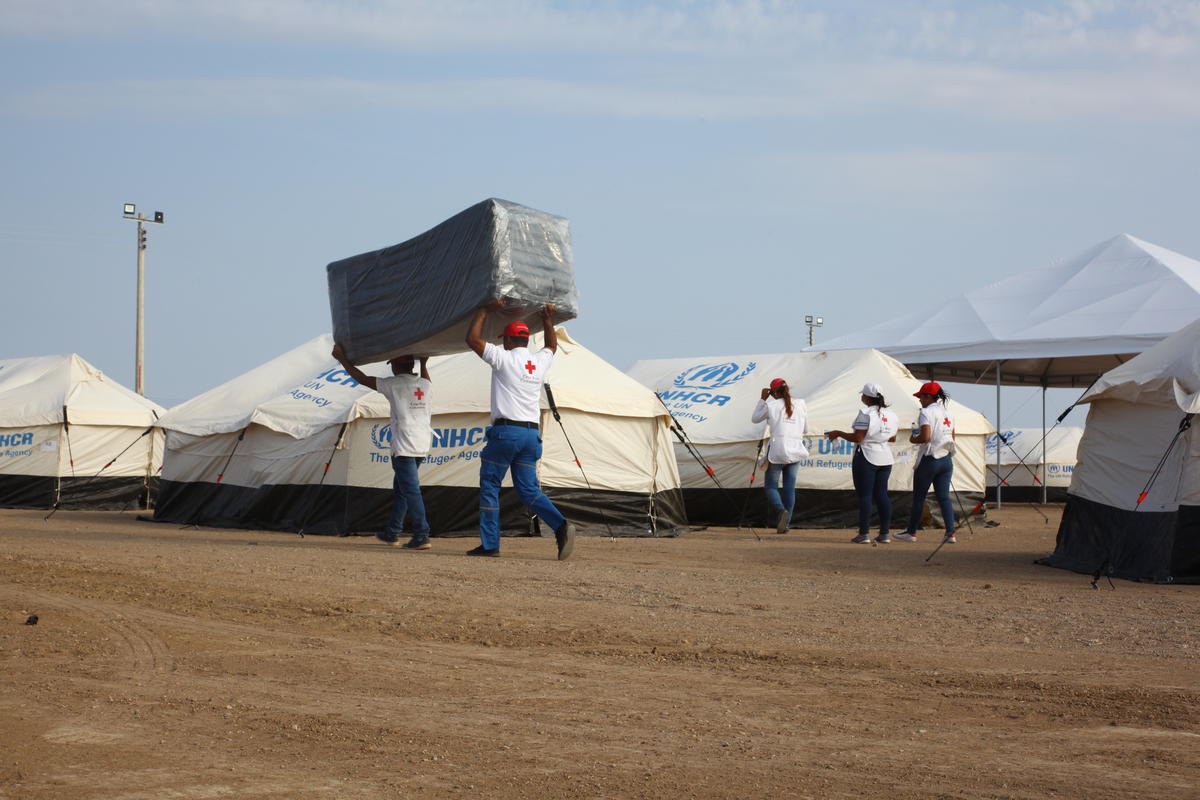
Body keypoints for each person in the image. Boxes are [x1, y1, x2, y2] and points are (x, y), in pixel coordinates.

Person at [464, 300, 576, 560]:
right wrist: (547, 319)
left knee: (490, 485)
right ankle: (560, 525)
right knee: (528, 490)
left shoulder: (502, 359)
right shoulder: (537, 363)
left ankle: (490, 545)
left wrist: (484, 310)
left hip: (506, 434)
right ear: (525, 340)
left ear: (508, 341)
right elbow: (551, 346)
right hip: (531, 437)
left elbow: (472, 339)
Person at [331, 344, 433, 550]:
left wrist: (342, 359)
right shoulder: (425, 384)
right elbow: (425, 378)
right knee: (403, 489)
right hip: (422, 443)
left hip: (404, 446)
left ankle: (422, 534)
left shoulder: (393, 385)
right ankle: (392, 532)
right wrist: (423, 363)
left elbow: (361, 378)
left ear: (395, 365)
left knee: (411, 490)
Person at [825, 382, 899, 544]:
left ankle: (864, 534)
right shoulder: (892, 415)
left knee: (865, 495)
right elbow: (892, 438)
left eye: (862, 394)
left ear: (866, 397)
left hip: (866, 456)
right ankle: (884, 534)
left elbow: (858, 438)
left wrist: (837, 433)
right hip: (885, 457)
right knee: (882, 495)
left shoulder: (865, 414)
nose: (861, 397)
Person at [896, 381, 957, 544]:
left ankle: (911, 533)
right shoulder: (948, 413)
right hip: (946, 459)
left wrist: (912, 438)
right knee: (944, 497)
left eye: (921, 397)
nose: (919, 400)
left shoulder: (926, 412)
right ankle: (950, 533)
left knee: (919, 497)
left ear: (928, 397)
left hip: (930, 460)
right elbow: (953, 436)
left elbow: (926, 437)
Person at [750, 378, 809, 533]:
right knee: (789, 488)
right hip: (796, 449)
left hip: (778, 450)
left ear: (773, 392)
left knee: (770, 486)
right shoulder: (801, 404)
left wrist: (762, 399)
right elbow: (805, 429)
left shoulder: (771, 405)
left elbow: (755, 418)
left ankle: (780, 510)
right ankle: (786, 524)